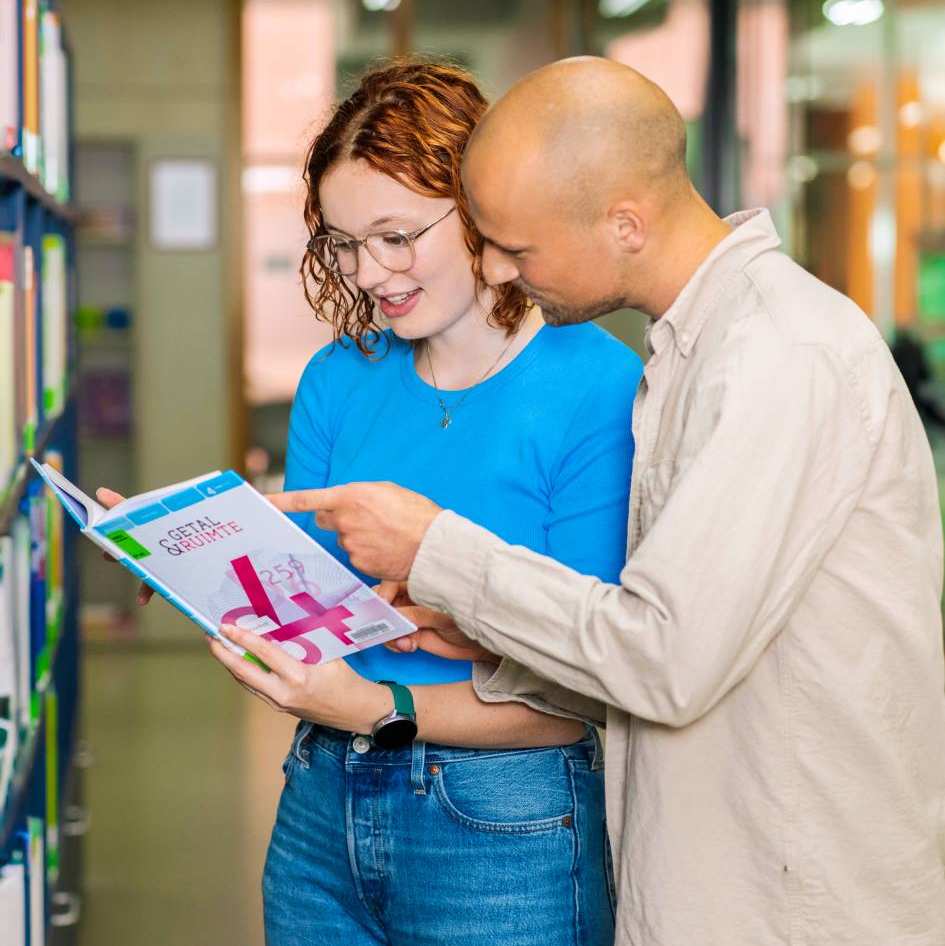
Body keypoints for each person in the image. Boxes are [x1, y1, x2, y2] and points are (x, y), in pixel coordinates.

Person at [253, 57, 945, 946]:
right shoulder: (697, 353)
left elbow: (664, 655)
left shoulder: (776, 355)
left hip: (792, 889)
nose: (497, 264)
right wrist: (478, 635)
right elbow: (653, 642)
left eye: (518, 243)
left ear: (622, 222)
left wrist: (438, 553)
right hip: (722, 866)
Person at [194, 60, 642, 946]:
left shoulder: (600, 389)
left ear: (478, 207)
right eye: (346, 243)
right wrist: (189, 555)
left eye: (397, 236)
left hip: (501, 822)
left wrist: (376, 707)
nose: (370, 274)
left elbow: (591, 684)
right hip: (322, 796)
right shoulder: (337, 377)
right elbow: (313, 611)